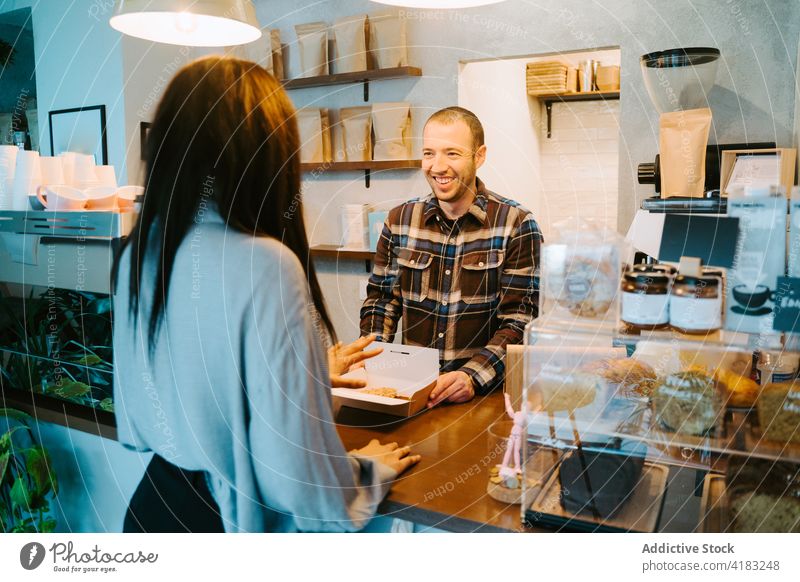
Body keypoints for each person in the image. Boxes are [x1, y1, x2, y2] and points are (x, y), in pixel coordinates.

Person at [112, 56, 419, 533]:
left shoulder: (140, 252)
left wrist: (311, 371)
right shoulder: (266, 264)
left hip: (153, 508)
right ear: (269, 156)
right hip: (226, 524)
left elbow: (153, 409)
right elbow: (296, 482)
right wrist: (366, 471)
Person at [360, 107, 542, 407]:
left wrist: (471, 376)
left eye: (452, 154)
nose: (437, 166)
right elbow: (381, 302)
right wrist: (370, 358)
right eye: (429, 153)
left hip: (481, 399)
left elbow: (520, 320)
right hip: (411, 393)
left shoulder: (516, 224)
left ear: (479, 156)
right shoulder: (400, 220)